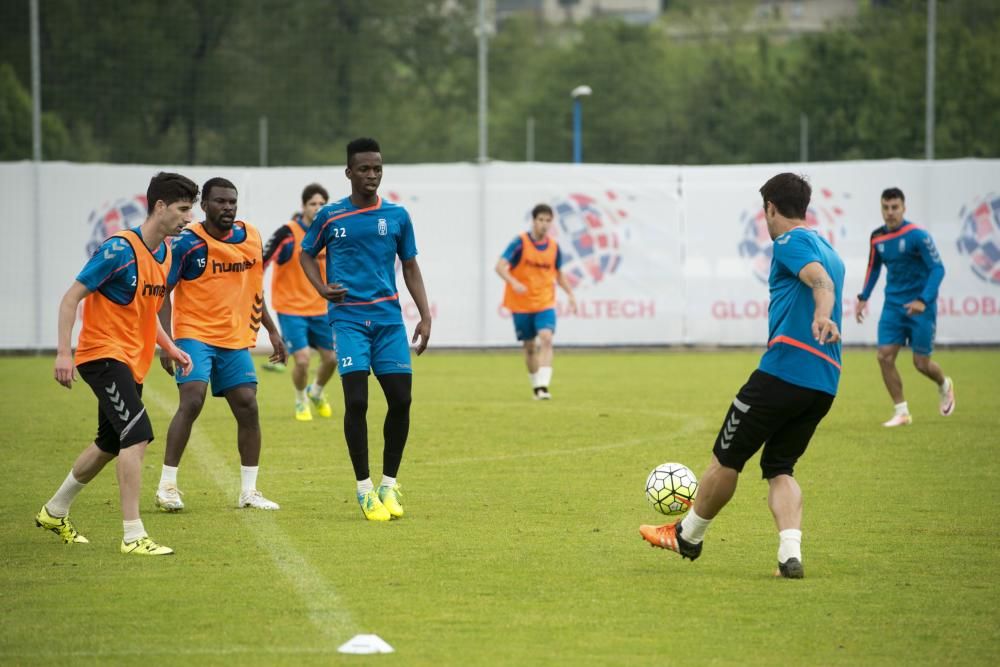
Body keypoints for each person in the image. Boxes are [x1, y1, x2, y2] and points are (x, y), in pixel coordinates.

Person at [640, 173, 844, 579]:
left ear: (771, 208)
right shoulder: (828, 247)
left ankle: (688, 536)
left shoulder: (792, 242)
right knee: (781, 467)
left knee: (727, 457)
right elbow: (826, 277)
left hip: (783, 372)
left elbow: (819, 281)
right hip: (825, 381)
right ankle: (790, 554)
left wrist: (822, 314)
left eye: (764, 211)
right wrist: (825, 313)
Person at [37, 172, 197, 556]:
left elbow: (148, 313)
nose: (187, 218)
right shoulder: (119, 249)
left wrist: (169, 347)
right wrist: (64, 352)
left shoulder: (166, 253)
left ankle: (54, 511)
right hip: (101, 356)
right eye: (182, 209)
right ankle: (132, 534)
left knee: (109, 443)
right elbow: (70, 299)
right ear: (159, 206)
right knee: (137, 433)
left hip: (131, 360)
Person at [300, 137, 432, 522]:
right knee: (357, 402)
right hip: (348, 319)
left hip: (389, 321)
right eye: (364, 169)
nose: (371, 175)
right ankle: (364, 489)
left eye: (377, 168)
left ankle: (389, 484)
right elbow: (306, 253)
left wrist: (424, 315)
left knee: (401, 401)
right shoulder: (330, 215)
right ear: (348, 173)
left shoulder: (397, 216)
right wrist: (322, 288)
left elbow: (409, 267)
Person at [154, 177, 287, 512]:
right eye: (220, 202)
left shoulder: (251, 236)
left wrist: (272, 330)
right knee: (193, 399)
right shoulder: (187, 243)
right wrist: (166, 341)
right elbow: (163, 292)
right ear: (205, 206)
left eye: (232, 202)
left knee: (248, 406)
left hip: (233, 339)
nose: (227, 208)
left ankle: (249, 491)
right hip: (194, 335)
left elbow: (256, 290)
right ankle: (167, 485)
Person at [856, 187, 954, 427]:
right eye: (885, 208)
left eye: (894, 207)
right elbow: (874, 267)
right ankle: (901, 412)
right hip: (893, 306)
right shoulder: (877, 237)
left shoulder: (917, 235)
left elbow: (938, 269)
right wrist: (863, 296)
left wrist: (923, 299)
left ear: (903, 208)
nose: (890, 213)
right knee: (884, 356)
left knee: (921, 363)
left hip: (921, 306)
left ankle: (944, 384)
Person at [263, 183, 338, 421]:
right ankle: (300, 399)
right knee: (303, 359)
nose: (317, 208)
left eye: (322, 204)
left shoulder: (332, 232)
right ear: (303, 206)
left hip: (321, 308)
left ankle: (315, 391)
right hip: (291, 308)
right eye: (313, 203)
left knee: (332, 359)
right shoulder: (287, 233)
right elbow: (261, 262)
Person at [495, 203, 577, 400]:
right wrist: (514, 282)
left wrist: (571, 294)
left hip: (545, 302)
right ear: (533, 221)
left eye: (548, 220)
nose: (544, 224)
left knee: (547, 338)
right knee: (530, 346)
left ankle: (543, 386)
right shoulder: (520, 243)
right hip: (521, 304)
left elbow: (558, 274)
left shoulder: (554, 247)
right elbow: (499, 266)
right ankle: (536, 388)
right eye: (540, 220)